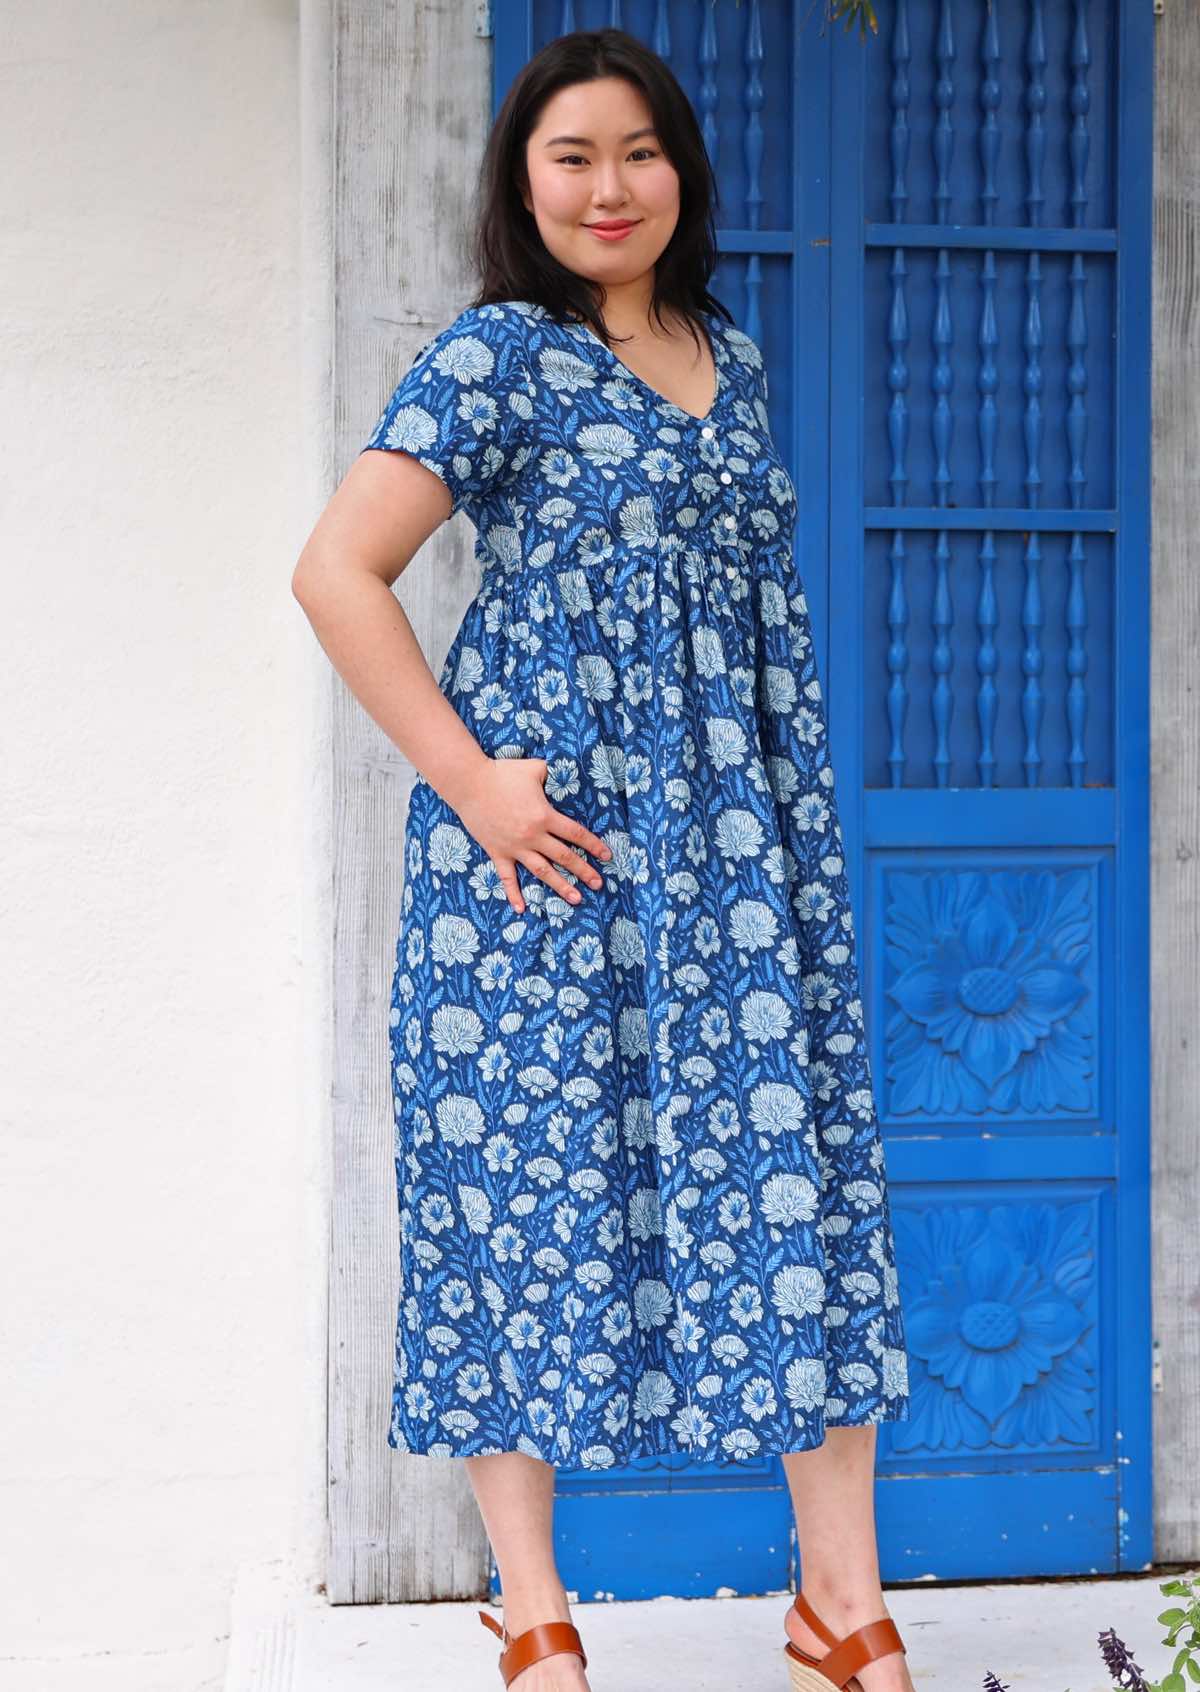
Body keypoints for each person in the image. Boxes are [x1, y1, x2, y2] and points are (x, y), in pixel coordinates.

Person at [292, 25, 915, 1692]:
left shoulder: (736, 351)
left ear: (681, 172)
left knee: (799, 1204)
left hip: (739, 863)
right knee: (527, 1202)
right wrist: (475, 785)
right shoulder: (496, 355)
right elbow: (339, 572)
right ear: (521, 182)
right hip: (544, 873)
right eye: (570, 156)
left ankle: (839, 1605)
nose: (609, 185)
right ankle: (533, 1611)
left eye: (638, 151)